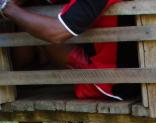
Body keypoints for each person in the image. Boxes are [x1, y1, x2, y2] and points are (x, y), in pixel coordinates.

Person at [1, 0, 140, 100]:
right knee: (33, 10)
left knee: (33, 24)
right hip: (122, 72)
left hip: (111, 82)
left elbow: (55, 33)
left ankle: (15, 75)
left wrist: (6, 7)